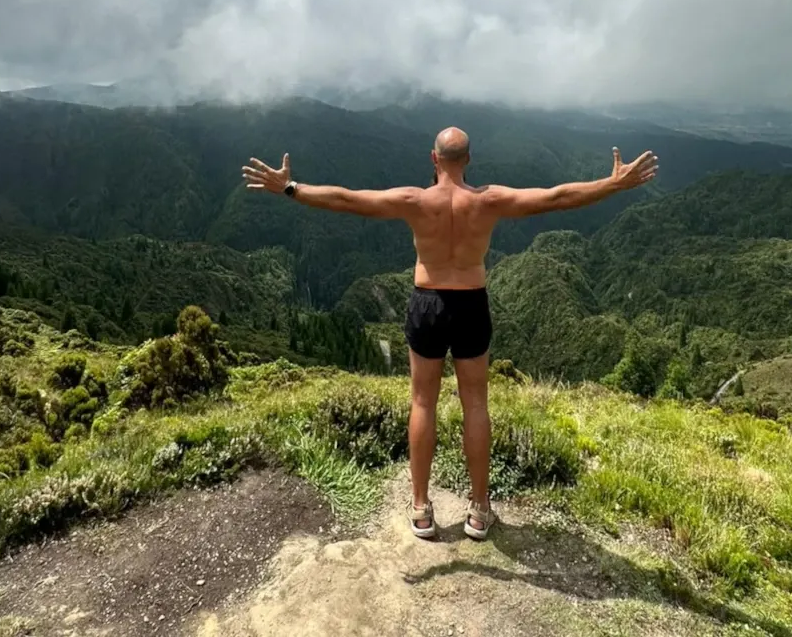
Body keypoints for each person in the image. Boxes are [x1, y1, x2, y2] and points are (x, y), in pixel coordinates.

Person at [242, 127, 659, 540]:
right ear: (469, 161)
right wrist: (613, 184)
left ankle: (421, 509)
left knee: (422, 401)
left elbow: (349, 200)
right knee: (475, 403)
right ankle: (479, 511)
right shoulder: (490, 200)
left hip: (427, 304)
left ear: (433, 159)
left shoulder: (415, 200)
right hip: (471, 304)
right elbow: (557, 196)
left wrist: (290, 187)